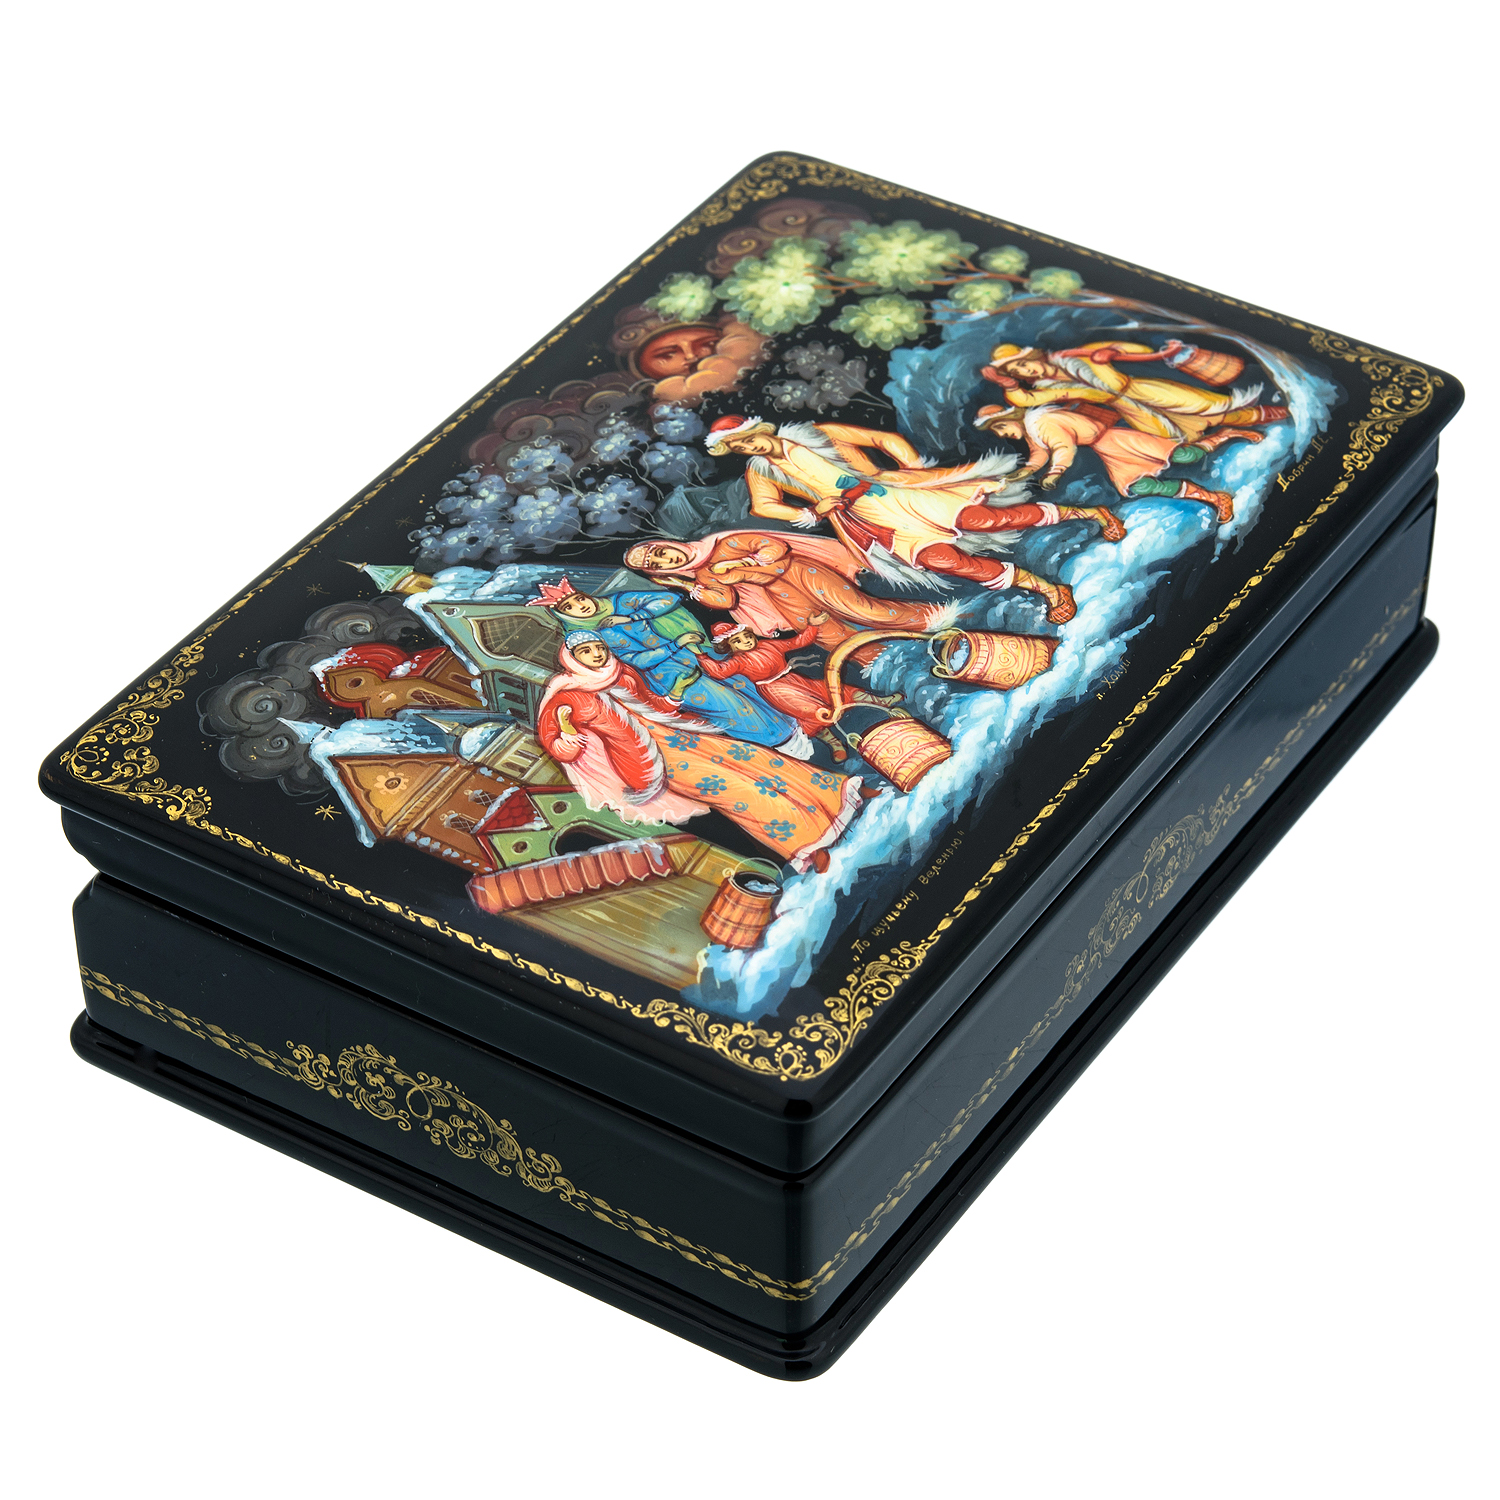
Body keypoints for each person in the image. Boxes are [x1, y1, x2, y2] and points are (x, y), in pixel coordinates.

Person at [703, 416, 1115, 623]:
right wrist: (808, 512)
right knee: (944, 561)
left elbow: (883, 439)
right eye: (741, 447)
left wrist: (913, 469)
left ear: (761, 428)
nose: (750, 447)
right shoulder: (761, 470)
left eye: (749, 438)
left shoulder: (818, 433)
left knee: (990, 521)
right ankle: (1047, 589)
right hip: (866, 519)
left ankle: (1089, 513)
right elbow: (763, 507)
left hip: (896, 492)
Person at [536, 632, 871, 875]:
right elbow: (560, 750)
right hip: (654, 760)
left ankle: (842, 794)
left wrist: (676, 694)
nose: (596, 654)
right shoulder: (566, 696)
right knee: (740, 794)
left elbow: (653, 705)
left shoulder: (622, 673)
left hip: (686, 735)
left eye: (598, 647)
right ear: (572, 658)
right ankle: (808, 844)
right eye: (586, 651)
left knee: (763, 763)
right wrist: (566, 729)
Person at [528, 577, 809, 755]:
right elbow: (637, 660)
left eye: (579, 599)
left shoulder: (618, 603)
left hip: (693, 653)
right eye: (570, 608)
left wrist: (631, 617)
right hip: (669, 675)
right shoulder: (589, 638)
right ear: (565, 617)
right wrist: (675, 645)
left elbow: (670, 599)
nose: (581, 606)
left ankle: (797, 735)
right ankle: (781, 749)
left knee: (744, 686)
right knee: (729, 707)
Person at [624, 533, 943, 668]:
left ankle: (940, 619)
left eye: (660, 552)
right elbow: (725, 600)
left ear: (666, 544)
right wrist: (685, 584)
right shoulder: (702, 577)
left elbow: (774, 547)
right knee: (829, 636)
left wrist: (743, 564)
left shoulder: (723, 545)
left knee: (863, 609)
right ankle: (895, 664)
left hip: (798, 573)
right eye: (657, 565)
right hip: (781, 597)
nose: (666, 559)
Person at [973, 402, 1254, 524]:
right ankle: (1213, 498)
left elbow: (1063, 446)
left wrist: (1056, 472)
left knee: (1185, 455)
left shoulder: (1042, 421)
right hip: (1107, 451)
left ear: (1010, 418)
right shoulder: (1033, 430)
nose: (1003, 434)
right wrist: (1027, 471)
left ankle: (1228, 433)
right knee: (1140, 486)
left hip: (1116, 440)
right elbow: (1040, 453)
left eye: (1000, 428)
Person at [982, 340, 1289, 446]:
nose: (1026, 372)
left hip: (1141, 389)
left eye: (1023, 364)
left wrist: (1111, 352)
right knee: (1172, 434)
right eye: (1018, 372)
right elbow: (1025, 400)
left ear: (1033, 356)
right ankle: (1246, 429)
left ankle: (1272, 414)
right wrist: (1007, 385)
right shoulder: (1048, 389)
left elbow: (1135, 349)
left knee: (1205, 406)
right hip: (1126, 406)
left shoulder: (1074, 356)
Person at [696, 617, 900, 762]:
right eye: (737, 641)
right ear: (730, 647)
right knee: (812, 712)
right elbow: (719, 672)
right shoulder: (738, 661)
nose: (746, 641)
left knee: (832, 690)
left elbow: (797, 641)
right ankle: (836, 744)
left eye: (746, 636)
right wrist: (701, 656)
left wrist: (812, 625)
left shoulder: (768, 646)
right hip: (776, 690)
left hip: (794, 680)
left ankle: (881, 702)